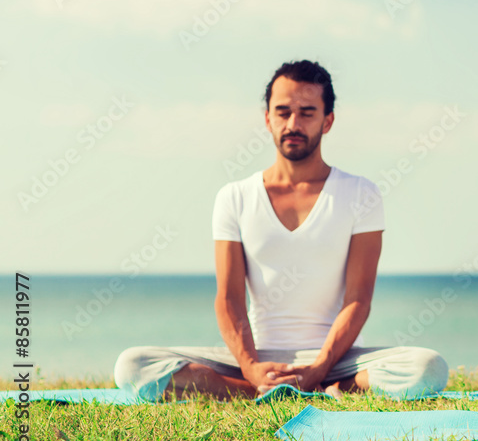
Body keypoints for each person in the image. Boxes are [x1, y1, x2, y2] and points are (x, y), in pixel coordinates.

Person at [115, 60, 449, 401]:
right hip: (258, 359)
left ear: (328, 120)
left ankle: (330, 387)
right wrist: (250, 366)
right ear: (267, 119)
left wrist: (320, 366)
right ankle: (251, 390)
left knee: (428, 367)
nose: (293, 124)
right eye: (283, 112)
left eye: (307, 112)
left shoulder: (360, 193)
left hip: (336, 360)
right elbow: (229, 298)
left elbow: (359, 299)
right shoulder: (235, 196)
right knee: (132, 365)